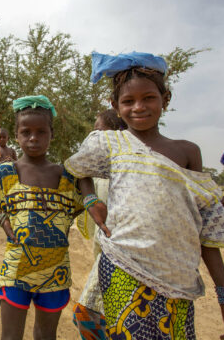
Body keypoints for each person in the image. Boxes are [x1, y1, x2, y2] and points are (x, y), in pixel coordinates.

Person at [64, 51, 224, 340]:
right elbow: (78, 169)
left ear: (166, 98)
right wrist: (90, 200)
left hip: (180, 278)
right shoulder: (111, 143)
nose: (139, 107)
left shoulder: (188, 151)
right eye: (128, 101)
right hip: (124, 267)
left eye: (149, 98)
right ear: (115, 105)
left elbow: (203, 226)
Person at [0, 95, 84, 340]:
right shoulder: (7, 172)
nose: (33, 138)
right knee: (10, 337)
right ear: (16, 135)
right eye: (26, 131)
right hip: (15, 272)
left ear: (52, 134)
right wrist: (1, 219)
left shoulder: (66, 176)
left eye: (41, 132)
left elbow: (82, 204)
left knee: (46, 336)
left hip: (56, 274)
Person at [72, 108, 126, 340]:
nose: (95, 131)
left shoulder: (108, 145)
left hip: (117, 235)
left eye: (98, 126)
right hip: (106, 230)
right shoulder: (107, 155)